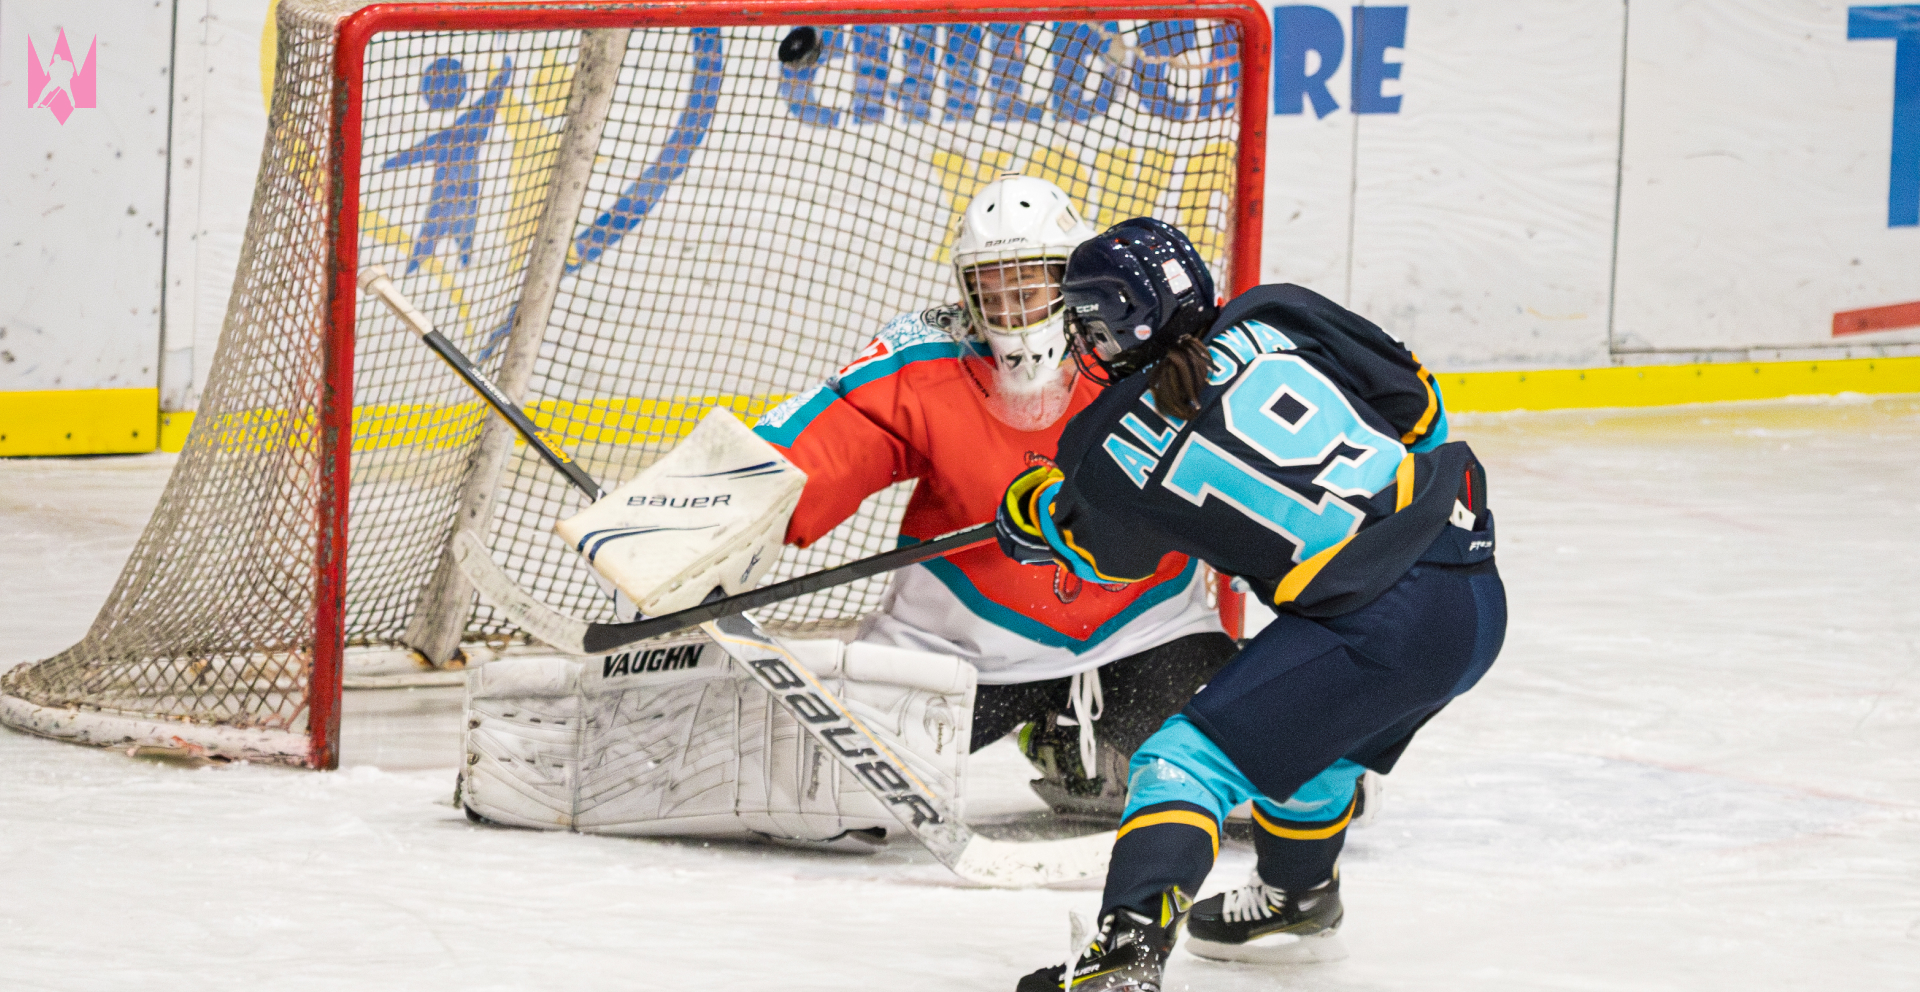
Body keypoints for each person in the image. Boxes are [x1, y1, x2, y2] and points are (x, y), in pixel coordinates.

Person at [995, 218, 1506, 989]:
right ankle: (1298, 897)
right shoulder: (1279, 311)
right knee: (1318, 745)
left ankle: (1125, 959)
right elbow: (1421, 411)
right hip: (1472, 583)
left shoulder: (1101, 449)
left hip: (1379, 620)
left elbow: (1110, 561)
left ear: (1112, 325)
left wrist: (1038, 513)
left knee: (1180, 763)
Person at [753, 174, 1237, 814]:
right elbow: (816, 448)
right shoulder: (928, 359)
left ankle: (1074, 736)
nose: (1011, 309)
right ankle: (1075, 736)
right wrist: (714, 517)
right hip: (956, 651)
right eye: (990, 287)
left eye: (1029, 284)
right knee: (815, 795)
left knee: (1288, 775)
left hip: (1148, 631)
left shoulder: (1146, 348)